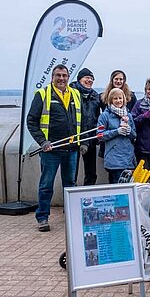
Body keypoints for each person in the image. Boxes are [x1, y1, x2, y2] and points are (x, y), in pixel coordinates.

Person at [27, 64, 82, 232]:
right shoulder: (42, 94)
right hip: (50, 150)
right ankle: (42, 217)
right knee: (46, 184)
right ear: (52, 77)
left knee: (70, 185)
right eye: (58, 75)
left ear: (68, 77)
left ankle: (71, 216)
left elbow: (81, 119)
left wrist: (82, 142)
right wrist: (43, 142)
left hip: (71, 149)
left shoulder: (75, 93)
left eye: (64, 75)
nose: (61, 78)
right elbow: (31, 121)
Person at [97, 88, 137, 184]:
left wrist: (129, 130)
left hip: (128, 158)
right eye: (115, 99)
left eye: (120, 98)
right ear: (111, 100)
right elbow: (100, 135)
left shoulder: (128, 115)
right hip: (114, 160)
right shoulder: (105, 116)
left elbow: (134, 135)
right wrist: (117, 131)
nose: (118, 101)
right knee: (116, 189)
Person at [70, 67, 100, 185]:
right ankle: (71, 198)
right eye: (87, 78)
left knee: (91, 172)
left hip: (90, 138)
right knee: (71, 173)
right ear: (79, 79)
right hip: (74, 139)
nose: (89, 80)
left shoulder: (95, 96)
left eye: (92, 79)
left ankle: (87, 197)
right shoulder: (71, 93)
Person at [99, 70, 137, 158]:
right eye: (116, 79)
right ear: (112, 80)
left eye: (121, 79)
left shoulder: (131, 97)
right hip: (109, 140)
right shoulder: (102, 97)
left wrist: (129, 129)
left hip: (125, 140)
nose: (118, 81)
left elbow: (133, 119)